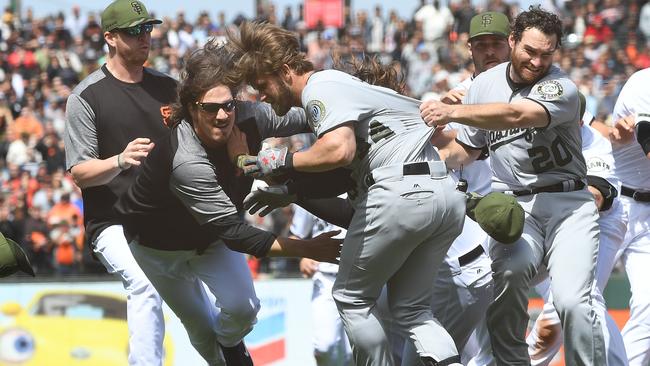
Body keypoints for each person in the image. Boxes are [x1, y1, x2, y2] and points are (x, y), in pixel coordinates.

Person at [227, 21, 469, 366]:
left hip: (400, 192)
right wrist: (291, 191)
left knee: (351, 298)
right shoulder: (345, 89)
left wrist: (283, 159)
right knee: (412, 308)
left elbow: (338, 151)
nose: (261, 96)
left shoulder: (319, 87)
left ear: (284, 71)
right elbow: (344, 175)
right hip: (443, 194)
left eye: (262, 86)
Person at [113, 41, 342, 366]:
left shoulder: (249, 117)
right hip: (158, 250)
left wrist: (349, 107)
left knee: (244, 309)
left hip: (208, 238)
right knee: (202, 330)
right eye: (210, 108)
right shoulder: (186, 159)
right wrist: (306, 248)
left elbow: (306, 116)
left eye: (229, 104)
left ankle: (231, 343)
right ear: (192, 108)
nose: (223, 116)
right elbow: (236, 234)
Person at [419, 7, 607, 365]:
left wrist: (453, 112)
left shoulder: (560, 85)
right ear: (513, 41)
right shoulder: (483, 86)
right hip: (516, 208)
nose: (537, 61)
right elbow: (467, 150)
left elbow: (519, 114)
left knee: (572, 302)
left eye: (546, 53)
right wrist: (422, 166)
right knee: (508, 274)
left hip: (569, 204)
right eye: (530, 51)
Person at [63, 1, 174, 364]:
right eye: (134, 31)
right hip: (112, 221)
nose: (145, 37)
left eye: (148, 29)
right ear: (110, 37)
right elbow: (79, 172)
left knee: (219, 307)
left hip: (166, 217)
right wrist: (119, 160)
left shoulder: (169, 88)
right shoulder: (86, 95)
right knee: (143, 285)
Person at [525, 94, 629, 366]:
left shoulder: (596, 145)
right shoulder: (539, 131)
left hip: (600, 222)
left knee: (574, 299)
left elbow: (596, 197)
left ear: (580, 120)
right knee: (587, 304)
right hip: (554, 221)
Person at [591, 67, 650, 366]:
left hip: (648, 215)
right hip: (615, 203)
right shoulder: (644, 83)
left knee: (649, 309)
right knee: (577, 299)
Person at [290, 203, 352, 366]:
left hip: (362, 279)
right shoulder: (308, 191)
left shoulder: (363, 185)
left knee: (355, 351)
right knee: (324, 347)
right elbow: (296, 235)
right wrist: (303, 255)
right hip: (325, 279)